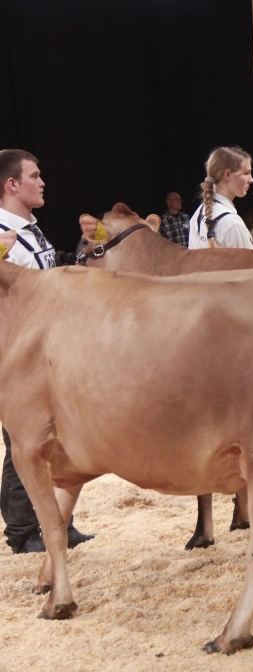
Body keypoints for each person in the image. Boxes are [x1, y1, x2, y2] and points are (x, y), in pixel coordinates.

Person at [0, 149, 95, 554]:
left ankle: (57, 522)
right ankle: (22, 532)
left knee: (53, 438)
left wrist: (83, 254)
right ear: (12, 185)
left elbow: (47, 273)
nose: (42, 182)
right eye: (35, 176)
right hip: (16, 349)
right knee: (22, 440)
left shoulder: (31, 228)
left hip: (45, 344)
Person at [187, 146, 253, 250]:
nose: (251, 180)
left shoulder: (198, 213)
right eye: (246, 173)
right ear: (228, 175)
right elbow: (252, 265)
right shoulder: (232, 224)